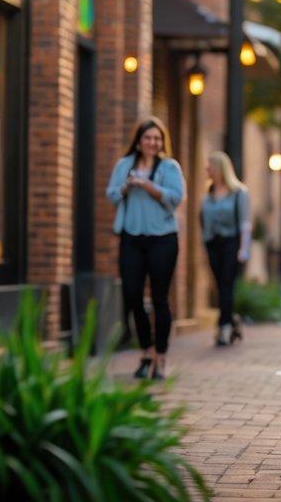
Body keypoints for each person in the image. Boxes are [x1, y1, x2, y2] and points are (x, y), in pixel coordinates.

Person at [106, 117, 185, 381]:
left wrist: (149, 187)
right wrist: (127, 187)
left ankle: (160, 359)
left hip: (163, 238)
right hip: (132, 238)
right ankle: (146, 353)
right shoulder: (124, 165)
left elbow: (176, 198)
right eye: (148, 138)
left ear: (162, 142)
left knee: (160, 299)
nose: (153, 142)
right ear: (138, 141)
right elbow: (111, 194)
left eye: (157, 138)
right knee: (132, 296)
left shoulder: (169, 166)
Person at [202, 151, 252, 347]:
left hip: (231, 242)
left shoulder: (239, 192)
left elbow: (245, 223)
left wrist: (244, 249)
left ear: (219, 169)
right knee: (219, 286)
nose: (207, 170)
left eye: (210, 167)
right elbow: (204, 223)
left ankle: (224, 328)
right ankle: (232, 321)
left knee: (226, 284)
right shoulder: (208, 193)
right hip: (212, 244)